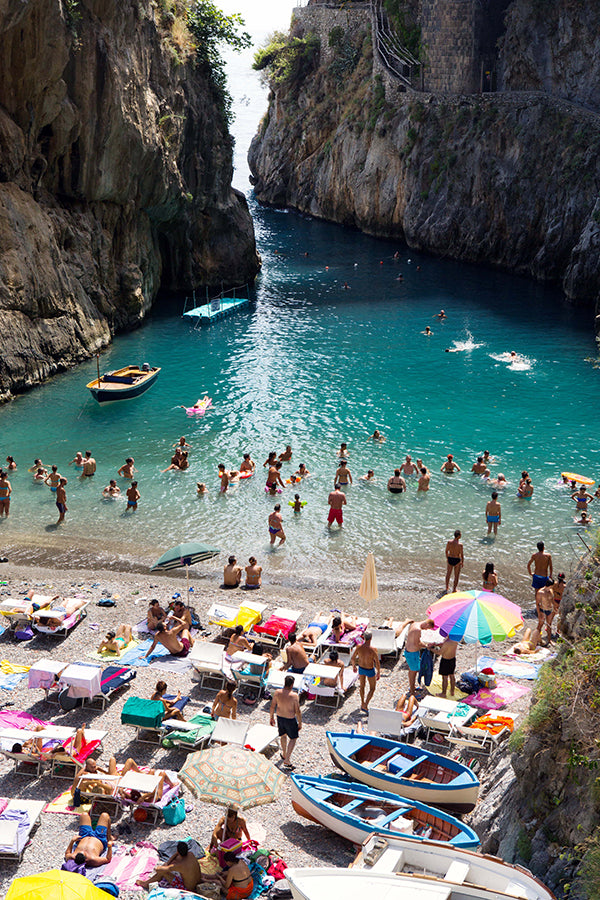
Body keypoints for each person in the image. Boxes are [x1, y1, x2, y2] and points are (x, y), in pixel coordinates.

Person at [136, 840, 201, 892]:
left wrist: (165, 866)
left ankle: (146, 884)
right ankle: (148, 882)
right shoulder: (191, 854)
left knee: (162, 872)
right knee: (168, 866)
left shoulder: (179, 865)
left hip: (187, 889)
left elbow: (158, 869)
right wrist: (168, 863)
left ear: (178, 851)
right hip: (197, 883)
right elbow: (176, 855)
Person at [270, 675, 302, 767]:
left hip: (280, 717)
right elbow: (297, 711)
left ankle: (284, 753)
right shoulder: (294, 696)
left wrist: (271, 717)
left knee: (283, 735)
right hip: (290, 719)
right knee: (293, 738)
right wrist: (300, 723)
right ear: (292, 684)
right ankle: (287, 759)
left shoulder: (277, 692)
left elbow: (272, 706)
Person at [404, 619, 436, 695]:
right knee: (413, 672)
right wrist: (426, 646)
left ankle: (412, 687)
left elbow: (416, 641)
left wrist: (424, 644)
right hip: (412, 653)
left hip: (410, 651)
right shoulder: (417, 630)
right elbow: (417, 643)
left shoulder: (414, 624)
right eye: (427, 628)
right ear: (427, 624)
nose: (426, 629)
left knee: (412, 670)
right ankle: (412, 691)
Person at [351, 632, 380, 711]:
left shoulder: (359, 647)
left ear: (363, 638)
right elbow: (377, 662)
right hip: (369, 669)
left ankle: (362, 702)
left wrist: (354, 666)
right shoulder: (373, 649)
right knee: (372, 688)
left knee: (362, 686)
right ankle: (365, 704)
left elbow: (353, 658)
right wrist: (378, 672)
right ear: (371, 638)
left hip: (361, 668)